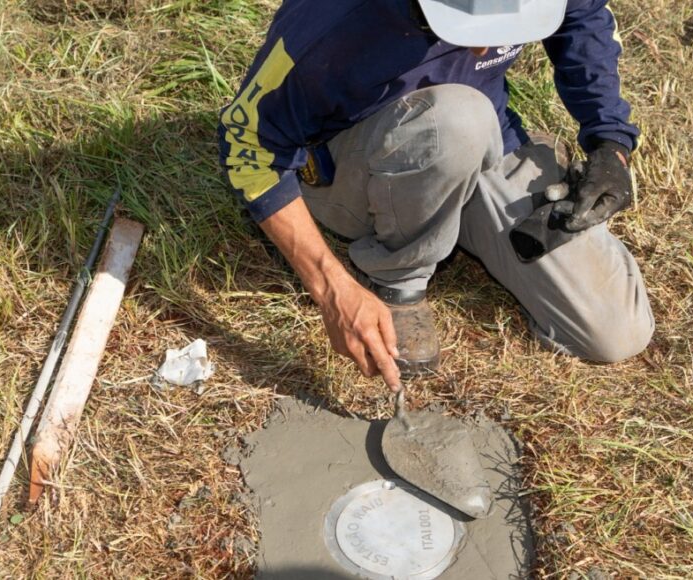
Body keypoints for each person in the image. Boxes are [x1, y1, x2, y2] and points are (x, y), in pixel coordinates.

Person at [218, 0, 655, 392]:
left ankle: (451, 187)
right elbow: (247, 143)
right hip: (360, 166)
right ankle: (399, 277)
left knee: (615, 330)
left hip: (480, 139)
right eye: (470, 26)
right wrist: (331, 289)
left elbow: (584, 18)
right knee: (457, 120)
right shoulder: (337, 18)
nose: (486, 48)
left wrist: (609, 142)